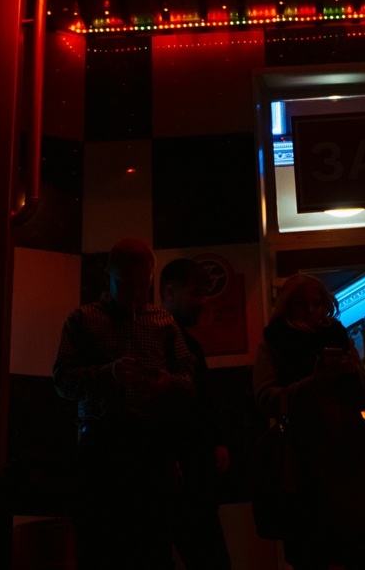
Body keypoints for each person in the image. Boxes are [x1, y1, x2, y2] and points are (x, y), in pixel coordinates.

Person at [53, 238, 195, 570]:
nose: (135, 293)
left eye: (142, 285)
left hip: (152, 447)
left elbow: (190, 383)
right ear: (108, 277)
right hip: (101, 446)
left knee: (154, 547)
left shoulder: (164, 322)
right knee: (100, 547)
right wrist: (109, 375)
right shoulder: (83, 319)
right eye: (125, 284)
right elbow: (61, 382)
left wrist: (167, 383)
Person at [251, 273, 365, 570]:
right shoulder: (275, 341)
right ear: (288, 306)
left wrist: (352, 372)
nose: (311, 311)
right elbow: (265, 398)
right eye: (302, 304)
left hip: (348, 453)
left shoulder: (337, 336)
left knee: (358, 552)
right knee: (312, 550)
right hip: (304, 456)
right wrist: (312, 384)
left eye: (316, 304)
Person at [159, 258, 231, 570]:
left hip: (189, 468)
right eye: (196, 293)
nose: (202, 302)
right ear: (169, 292)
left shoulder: (183, 342)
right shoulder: (168, 342)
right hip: (186, 470)